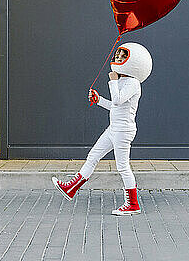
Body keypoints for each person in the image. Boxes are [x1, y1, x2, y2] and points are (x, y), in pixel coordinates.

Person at [52, 42, 152, 215]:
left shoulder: (133, 83)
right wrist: (98, 100)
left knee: (122, 167)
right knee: (93, 156)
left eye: (123, 56)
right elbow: (115, 106)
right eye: (118, 56)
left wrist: (112, 82)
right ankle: (71, 188)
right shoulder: (122, 80)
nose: (118, 58)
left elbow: (118, 100)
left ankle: (133, 204)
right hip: (114, 128)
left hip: (123, 131)